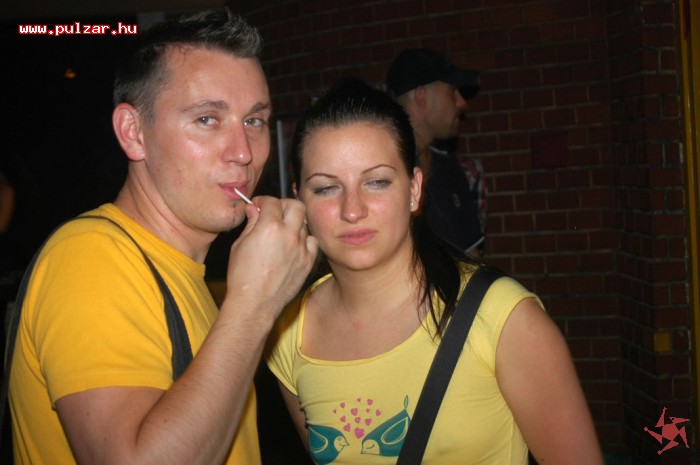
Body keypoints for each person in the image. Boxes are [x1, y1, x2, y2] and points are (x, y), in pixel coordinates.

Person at [7, 9, 317, 465]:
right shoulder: (91, 258)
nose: (243, 153)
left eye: (253, 121)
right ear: (133, 133)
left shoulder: (182, 272)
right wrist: (254, 305)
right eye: (207, 119)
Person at [265, 78, 603, 464]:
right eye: (326, 188)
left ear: (414, 190)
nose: (352, 210)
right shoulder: (290, 330)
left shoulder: (504, 319)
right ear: (299, 199)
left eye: (376, 182)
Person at [386, 48, 487, 256]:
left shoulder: (453, 169)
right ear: (421, 97)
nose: (462, 103)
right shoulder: (378, 172)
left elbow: (471, 259)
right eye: (452, 91)